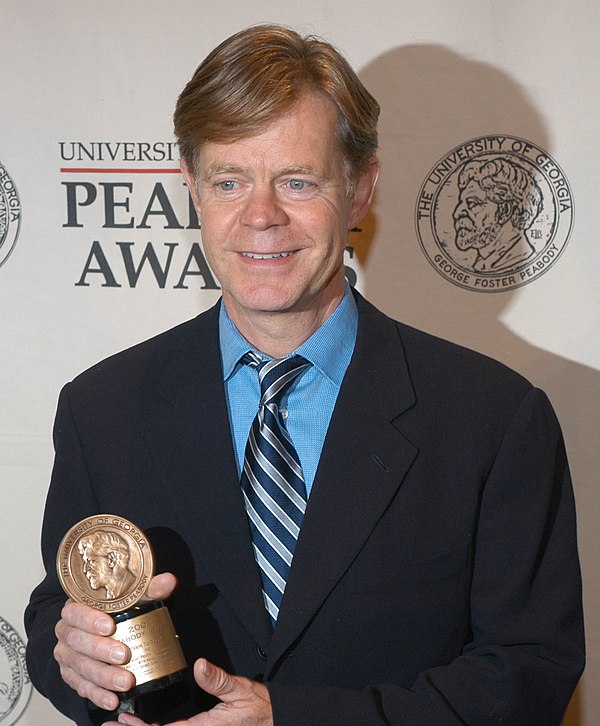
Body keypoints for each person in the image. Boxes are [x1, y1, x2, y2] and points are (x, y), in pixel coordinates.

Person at [25, 24, 584, 726]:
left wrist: (287, 717)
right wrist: (72, 656)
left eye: (297, 180)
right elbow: (59, 612)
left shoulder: (495, 420)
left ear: (358, 191)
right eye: (230, 180)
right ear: (192, 190)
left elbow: (528, 673)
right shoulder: (100, 409)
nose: (261, 216)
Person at [453, 157, 542, 272]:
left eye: (472, 203)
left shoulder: (516, 261)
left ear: (505, 211)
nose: (457, 213)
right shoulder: (483, 265)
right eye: (461, 203)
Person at [78, 531, 137, 601]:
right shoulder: (111, 593)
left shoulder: (130, 586)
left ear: (112, 559)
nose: (85, 569)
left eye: (91, 561)